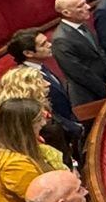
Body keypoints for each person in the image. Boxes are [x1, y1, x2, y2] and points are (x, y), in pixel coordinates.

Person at [5, 29, 84, 160]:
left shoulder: (41, 66)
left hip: (68, 130)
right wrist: (72, 127)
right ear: (28, 53)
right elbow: (43, 111)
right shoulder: (26, 80)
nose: (50, 45)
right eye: (43, 44)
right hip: (55, 136)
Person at [50, 0, 106, 106]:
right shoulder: (61, 40)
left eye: (85, 3)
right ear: (66, 12)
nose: (88, 7)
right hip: (89, 96)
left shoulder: (82, 25)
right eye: (80, 6)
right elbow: (80, 73)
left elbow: (100, 53)